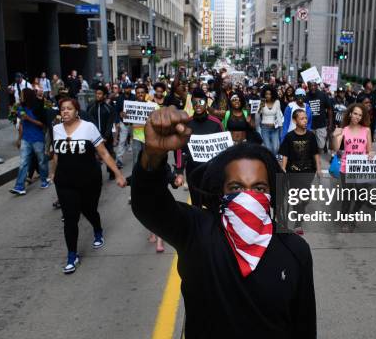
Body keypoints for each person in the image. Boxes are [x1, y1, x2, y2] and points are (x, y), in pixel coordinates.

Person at [131, 107, 316, 338]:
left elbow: (304, 326)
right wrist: (153, 155)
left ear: (273, 193)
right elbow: (149, 205)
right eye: (236, 188)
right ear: (221, 192)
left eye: (259, 188)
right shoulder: (197, 233)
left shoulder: (295, 250)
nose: (248, 196)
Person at [50, 98, 126, 274]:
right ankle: (72, 255)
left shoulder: (88, 127)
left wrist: (118, 173)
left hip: (88, 179)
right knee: (70, 218)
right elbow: (56, 155)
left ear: (77, 111)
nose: (65, 112)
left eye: (69, 109)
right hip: (65, 181)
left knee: (89, 210)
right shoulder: (56, 129)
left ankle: (97, 229)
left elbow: (104, 153)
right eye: (63, 109)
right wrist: (53, 173)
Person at [332, 103, 375, 232]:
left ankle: (353, 215)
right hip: (346, 167)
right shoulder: (343, 130)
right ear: (350, 114)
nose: (357, 117)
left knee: (362, 195)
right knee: (348, 196)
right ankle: (345, 220)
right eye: (355, 113)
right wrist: (335, 136)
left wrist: (371, 154)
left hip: (361, 167)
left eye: (360, 115)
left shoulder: (366, 130)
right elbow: (335, 148)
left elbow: (369, 151)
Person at [279, 109, 321, 235]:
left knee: (305, 197)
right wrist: (283, 168)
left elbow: (315, 153)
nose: (305, 120)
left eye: (306, 118)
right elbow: (285, 154)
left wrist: (319, 168)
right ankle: (298, 222)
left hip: (308, 171)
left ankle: (301, 209)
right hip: (293, 172)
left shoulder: (311, 136)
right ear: (294, 120)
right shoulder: (289, 137)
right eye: (302, 118)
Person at [10, 88, 49, 195]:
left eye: (22, 94)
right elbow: (22, 124)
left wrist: (29, 119)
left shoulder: (39, 106)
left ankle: (44, 180)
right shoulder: (21, 107)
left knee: (41, 161)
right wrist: (19, 139)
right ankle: (19, 186)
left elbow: (43, 125)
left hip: (38, 138)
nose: (20, 96)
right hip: (26, 139)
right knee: (23, 163)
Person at [88, 85, 117, 179]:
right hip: (94, 137)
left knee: (109, 154)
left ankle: (112, 172)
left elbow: (110, 124)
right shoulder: (91, 107)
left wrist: (105, 137)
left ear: (104, 96)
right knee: (94, 157)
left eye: (100, 94)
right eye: (96, 93)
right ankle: (96, 174)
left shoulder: (109, 108)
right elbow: (90, 122)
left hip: (107, 137)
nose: (97, 95)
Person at [306, 81, 332, 158]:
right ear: (308, 86)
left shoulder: (323, 95)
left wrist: (330, 123)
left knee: (321, 145)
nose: (313, 87)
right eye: (311, 86)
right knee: (310, 145)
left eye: (314, 85)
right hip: (309, 125)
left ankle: (317, 156)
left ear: (317, 86)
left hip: (321, 125)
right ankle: (314, 161)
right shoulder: (306, 96)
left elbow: (329, 109)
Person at [113, 82, 135, 169]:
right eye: (126, 88)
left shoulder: (134, 97)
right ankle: (119, 160)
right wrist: (117, 121)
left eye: (129, 88)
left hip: (133, 123)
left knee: (135, 141)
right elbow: (116, 111)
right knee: (122, 141)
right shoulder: (119, 98)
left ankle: (137, 158)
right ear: (123, 89)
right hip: (124, 123)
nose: (128, 89)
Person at [258, 86, 283, 156]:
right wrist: (260, 106)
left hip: (275, 128)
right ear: (264, 94)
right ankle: (271, 162)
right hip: (265, 128)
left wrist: (281, 127)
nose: (268, 96)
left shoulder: (277, 102)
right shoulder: (262, 101)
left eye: (269, 94)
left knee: (276, 148)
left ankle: (272, 159)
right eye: (266, 94)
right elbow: (258, 113)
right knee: (268, 147)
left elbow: (278, 115)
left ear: (273, 94)